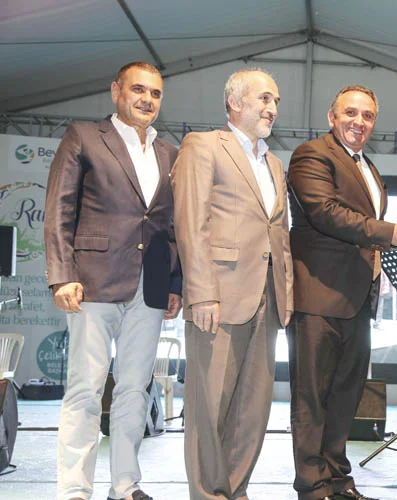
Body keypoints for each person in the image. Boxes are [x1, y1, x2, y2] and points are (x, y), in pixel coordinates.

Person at [44, 61, 182, 500]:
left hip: (151, 286)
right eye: (138, 89)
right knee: (85, 389)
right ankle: (74, 489)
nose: (147, 99)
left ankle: (125, 484)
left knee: (135, 390)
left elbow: (173, 225)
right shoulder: (84, 136)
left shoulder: (170, 153)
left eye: (155, 93)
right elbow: (59, 209)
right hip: (92, 282)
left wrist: (175, 283)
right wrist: (62, 275)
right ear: (116, 91)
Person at [286, 84, 397, 500]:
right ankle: (312, 484)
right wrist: (391, 232)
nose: (359, 122)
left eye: (367, 116)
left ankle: (336, 478)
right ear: (332, 117)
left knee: (345, 395)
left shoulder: (369, 168)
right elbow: (325, 213)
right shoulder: (312, 155)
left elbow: (367, 229)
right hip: (318, 295)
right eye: (350, 113)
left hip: (358, 298)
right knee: (312, 397)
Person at [171, 68, 293, 500]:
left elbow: (279, 233)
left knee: (252, 410)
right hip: (219, 298)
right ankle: (208, 494)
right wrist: (202, 292)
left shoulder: (273, 163)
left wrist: (286, 294)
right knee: (209, 409)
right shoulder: (203, 145)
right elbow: (190, 224)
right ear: (235, 102)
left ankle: (235, 491)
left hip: (267, 298)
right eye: (264, 99)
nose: (272, 108)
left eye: (276, 101)